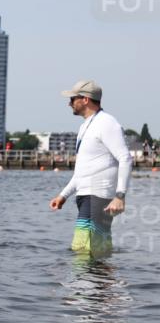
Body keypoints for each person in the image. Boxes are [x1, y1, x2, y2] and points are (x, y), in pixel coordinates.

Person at [49, 80, 132, 257]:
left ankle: (89, 284)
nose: (69, 103)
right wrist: (63, 195)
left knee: (84, 250)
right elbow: (82, 171)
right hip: (85, 196)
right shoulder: (85, 126)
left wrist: (120, 196)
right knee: (94, 251)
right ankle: (103, 282)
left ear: (85, 99)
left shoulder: (107, 123)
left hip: (98, 196)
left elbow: (125, 158)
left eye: (72, 98)